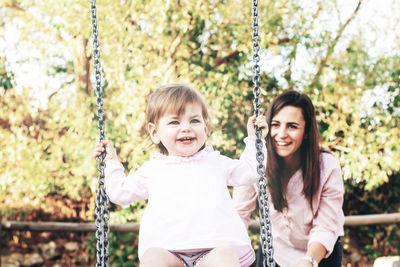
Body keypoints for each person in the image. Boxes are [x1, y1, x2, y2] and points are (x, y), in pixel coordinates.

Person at [93, 83, 269, 267]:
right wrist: (110, 162)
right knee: (153, 258)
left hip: (212, 251)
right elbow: (120, 193)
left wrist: (255, 140)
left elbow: (251, 171)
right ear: (155, 133)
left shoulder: (216, 163)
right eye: (174, 122)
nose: (186, 128)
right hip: (169, 253)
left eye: (194, 121)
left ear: (205, 128)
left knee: (225, 256)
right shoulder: (152, 170)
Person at [233, 90, 344, 267]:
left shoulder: (327, 167)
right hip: (276, 249)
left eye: (292, 126)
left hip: (319, 252)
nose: (282, 134)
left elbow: (325, 226)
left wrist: (309, 260)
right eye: (275, 125)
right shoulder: (255, 160)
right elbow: (240, 212)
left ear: (306, 131)